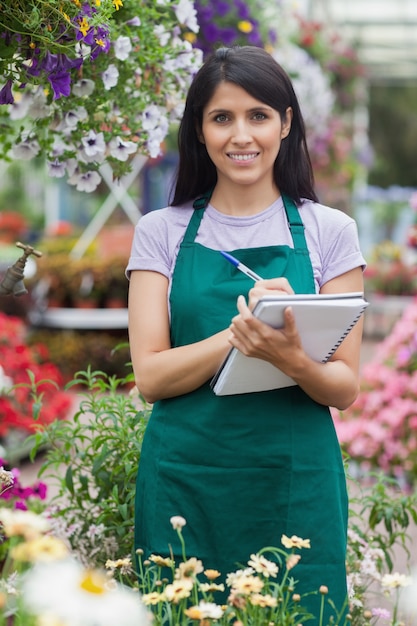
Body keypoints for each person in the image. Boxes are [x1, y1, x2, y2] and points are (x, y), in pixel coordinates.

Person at [127, 45, 366, 621]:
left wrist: (289, 355)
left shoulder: (330, 231)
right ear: (200, 130)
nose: (242, 135)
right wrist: (243, 334)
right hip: (186, 480)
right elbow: (152, 377)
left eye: (258, 115)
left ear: (286, 123)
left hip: (294, 481)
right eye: (221, 117)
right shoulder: (161, 231)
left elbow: (343, 387)